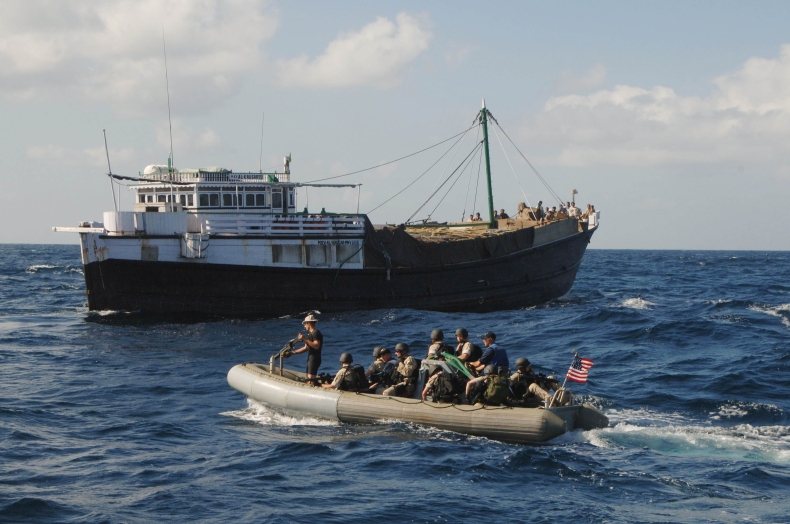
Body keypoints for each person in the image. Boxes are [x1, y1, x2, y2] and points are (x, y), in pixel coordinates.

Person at [289, 313, 323, 387]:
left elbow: (316, 346)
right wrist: (292, 353)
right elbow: (306, 348)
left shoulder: (316, 333)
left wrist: (304, 339)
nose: (304, 326)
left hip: (314, 359)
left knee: (311, 380)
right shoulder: (310, 335)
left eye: (305, 324)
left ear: (308, 323)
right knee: (308, 379)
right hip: (311, 359)